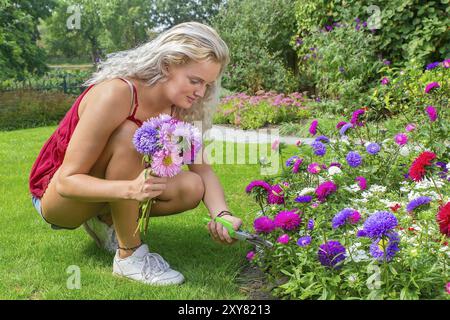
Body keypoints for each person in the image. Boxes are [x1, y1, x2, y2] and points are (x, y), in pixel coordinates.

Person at [28, 22, 243, 286]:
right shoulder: (117, 93)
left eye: (208, 85)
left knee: (192, 186)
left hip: (105, 190)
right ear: (167, 65)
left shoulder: (184, 108)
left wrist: (221, 215)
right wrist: (130, 190)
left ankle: (107, 220)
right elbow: (66, 181)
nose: (201, 92)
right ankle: (129, 256)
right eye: (195, 80)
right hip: (57, 197)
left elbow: (203, 171)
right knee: (132, 135)